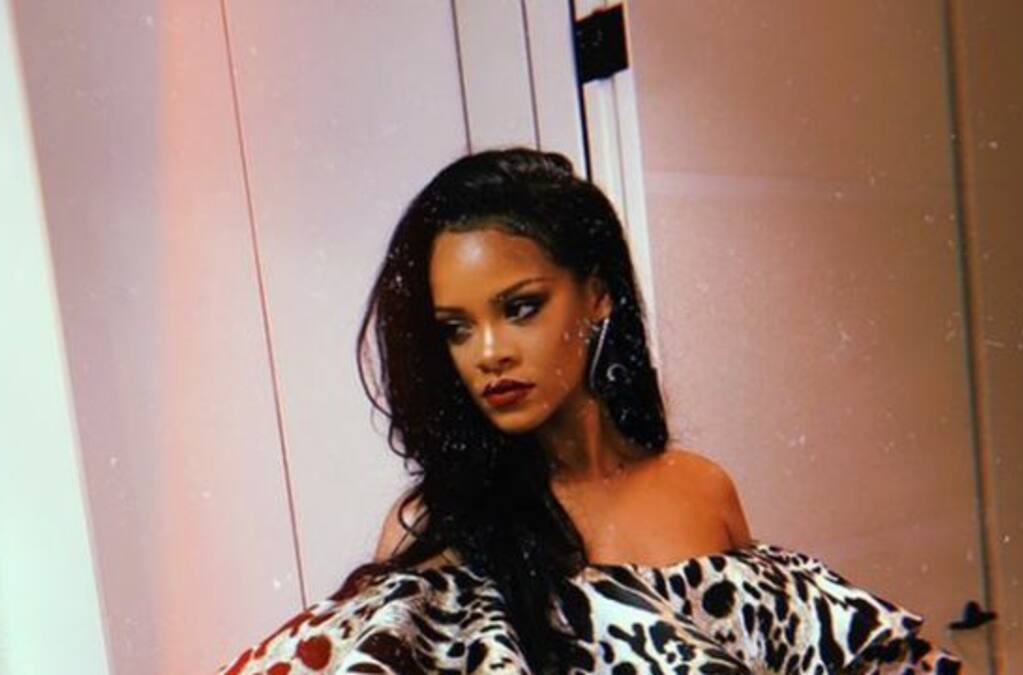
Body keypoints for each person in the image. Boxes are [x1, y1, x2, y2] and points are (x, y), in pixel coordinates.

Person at [216, 148, 963, 674]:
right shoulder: (433, 528)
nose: (488, 353)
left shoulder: (700, 492)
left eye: (520, 308)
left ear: (598, 295)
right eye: (456, 328)